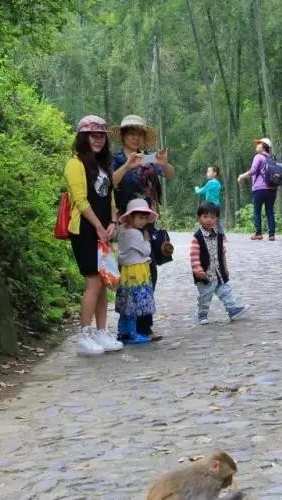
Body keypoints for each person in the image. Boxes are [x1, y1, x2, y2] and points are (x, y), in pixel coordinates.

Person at [110, 115, 175, 341]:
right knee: (129, 272)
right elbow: (111, 182)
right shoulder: (117, 159)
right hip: (127, 222)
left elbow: (169, 175)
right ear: (124, 136)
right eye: (131, 133)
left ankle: (144, 325)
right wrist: (128, 165)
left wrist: (163, 163)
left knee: (150, 272)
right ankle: (127, 327)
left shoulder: (149, 159)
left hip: (148, 220)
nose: (136, 138)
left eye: (140, 134)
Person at [64, 115, 123, 356]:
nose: (98, 140)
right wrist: (99, 226)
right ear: (82, 137)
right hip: (86, 230)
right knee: (93, 282)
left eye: (101, 136)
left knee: (103, 283)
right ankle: (84, 335)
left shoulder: (102, 166)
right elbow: (80, 199)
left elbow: (108, 197)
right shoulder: (75, 164)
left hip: (103, 229)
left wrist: (112, 222)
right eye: (93, 135)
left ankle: (101, 331)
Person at [190, 201, 249, 325]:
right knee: (205, 296)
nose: (209, 220)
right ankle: (202, 315)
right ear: (199, 218)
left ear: (217, 219)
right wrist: (198, 271)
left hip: (219, 272)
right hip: (205, 274)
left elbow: (222, 252)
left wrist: (225, 268)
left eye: (212, 217)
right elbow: (194, 256)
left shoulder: (219, 235)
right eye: (205, 217)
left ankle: (232, 310)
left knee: (225, 291)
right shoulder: (197, 237)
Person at [115, 199, 158, 344]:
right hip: (137, 270)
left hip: (126, 270)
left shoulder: (122, 229)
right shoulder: (135, 233)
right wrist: (146, 240)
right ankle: (133, 333)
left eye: (145, 218)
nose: (143, 221)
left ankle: (124, 332)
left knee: (127, 301)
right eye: (139, 217)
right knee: (136, 301)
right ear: (131, 217)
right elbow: (146, 250)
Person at [237, 137, 277, 240]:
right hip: (272, 189)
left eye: (258, 143)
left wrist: (242, 176)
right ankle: (271, 234)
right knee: (270, 211)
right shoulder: (272, 158)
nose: (256, 145)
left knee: (257, 211)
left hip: (260, 189)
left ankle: (258, 233)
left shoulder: (258, 157)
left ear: (263, 146)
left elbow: (253, 171)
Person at [194, 165, 223, 233]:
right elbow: (208, 192)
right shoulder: (218, 183)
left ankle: (200, 233)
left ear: (214, 173)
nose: (207, 173)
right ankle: (222, 236)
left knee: (203, 218)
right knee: (216, 221)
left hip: (210, 205)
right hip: (216, 205)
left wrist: (196, 188)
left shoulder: (211, 182)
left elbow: (201, 191)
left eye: (209, 171)